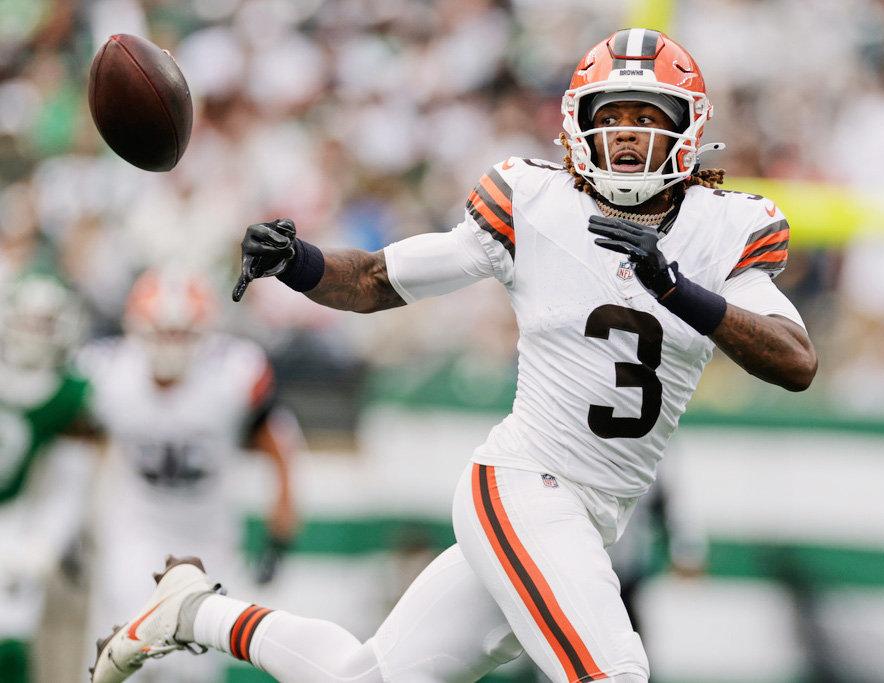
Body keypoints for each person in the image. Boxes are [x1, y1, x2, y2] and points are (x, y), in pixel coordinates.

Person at [89, 28, 817, 683]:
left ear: (689, 131)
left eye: (648, 117)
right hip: (525, 485)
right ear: (577, 126)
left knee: (361, 676)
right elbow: (380, 279)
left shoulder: (727, 228)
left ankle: (193, 612)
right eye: (611, 115)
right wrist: (301, 261)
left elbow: (794, 360)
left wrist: (676, 287)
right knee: (615, 671)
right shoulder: (536, 201)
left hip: (597, 512)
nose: (627, 135)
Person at [80, 266, 300, 683]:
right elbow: (74, 444)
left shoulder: (233, 373)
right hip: (135, 529)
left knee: (194, 664)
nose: (170, 345)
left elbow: (281, 443)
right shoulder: (109, 374)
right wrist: (73, 523)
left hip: (209, 537)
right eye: (160, 332)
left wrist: (281, 529)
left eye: (181, 333)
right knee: (125, 647)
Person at [0, 271, 96, 683]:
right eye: (26, 320)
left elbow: (70, 484)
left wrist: (45, 543)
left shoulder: (69, 393)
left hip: (13, 515)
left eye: (44, 323)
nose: (33, 333)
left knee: (10, 633)